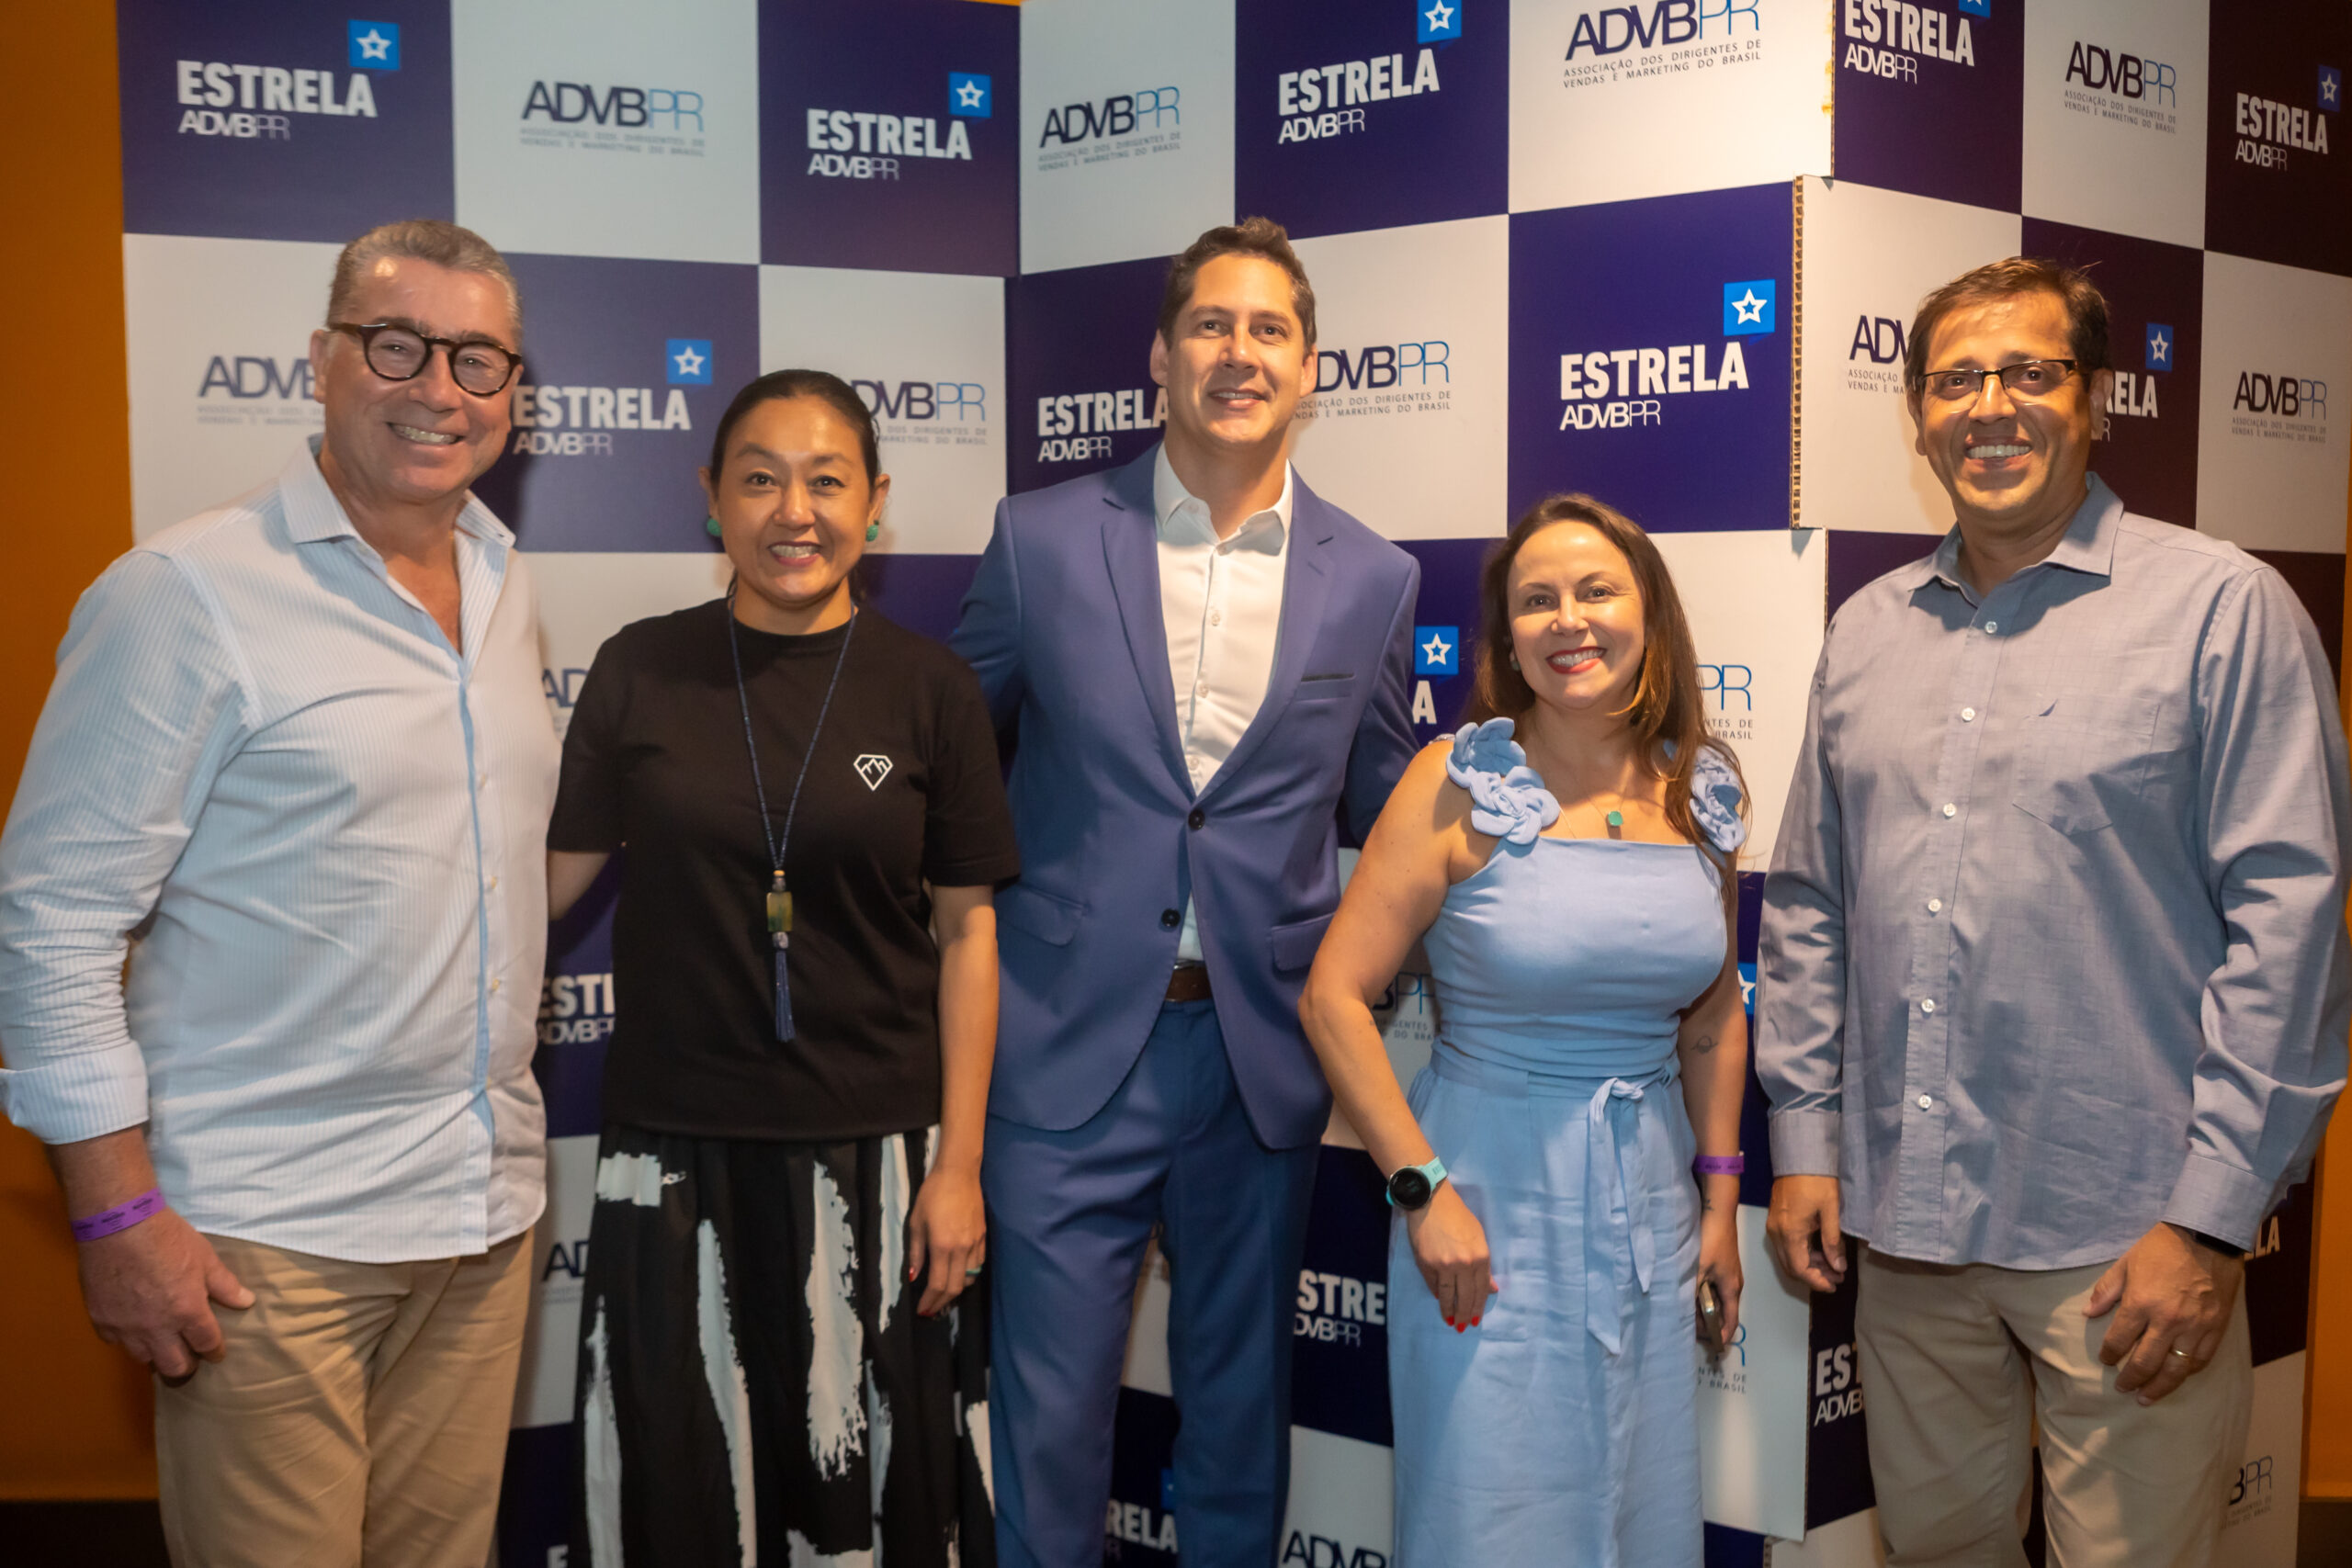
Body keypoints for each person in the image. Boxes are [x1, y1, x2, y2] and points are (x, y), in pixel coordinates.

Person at [1757, 257, 2350, 1568]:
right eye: (1955, 380)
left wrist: (2207, 1220)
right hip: (1908, 1234)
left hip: (2129, 1237)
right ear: (1917, 417)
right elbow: (1808, 902)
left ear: (2095, 398)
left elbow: (2292, 932)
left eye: (2029, 371)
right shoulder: (1866, 632)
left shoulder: (2221, 610)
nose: (1990, 407)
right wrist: (1805, 1139)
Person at [0, 220, 554, 1566]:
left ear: (513, 390)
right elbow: (52, 921)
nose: (440, 389)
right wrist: (117, 1213)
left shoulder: (502, 578)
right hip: (266, 1243)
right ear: (320, 358)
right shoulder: (186, 592)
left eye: (478, 359)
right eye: (398, 346)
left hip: (480, 1219)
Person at [951, 217, 1419, 1567]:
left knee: (1237, 1423)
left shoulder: (1373, 578)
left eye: (1270, 329)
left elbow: (1390, 814)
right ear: (1160, 356)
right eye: (1211, 324)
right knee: (1047, 1427)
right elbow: (950, 769)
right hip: (1060, 1045)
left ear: (1310, 368)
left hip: (1256, 1063)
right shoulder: (1041, 539)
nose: (1238, 352)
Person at [548, 368, 1017, 1566]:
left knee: (864, 1500)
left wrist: (960, 1167)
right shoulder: (639, 668)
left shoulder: (932, 687)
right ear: (712, 497)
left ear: (876, 502)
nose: (793, 511)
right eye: (760, 480)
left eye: (826, 481)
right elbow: (541, 884)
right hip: (672, 1153)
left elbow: (968, 935)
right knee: (681, 1494)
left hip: (879, 1157)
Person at [1300, 494, 1749, 1565]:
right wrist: (1421, 1191)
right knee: (1487, 1514)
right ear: (1506, 637)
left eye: (1596, 591)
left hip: (1650, 1212)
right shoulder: (1455, 785)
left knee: (1634, 1506)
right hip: (1484, 1213)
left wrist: (1719, 1201)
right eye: (1536, 601)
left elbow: (1710, 1016)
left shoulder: (1700, 787)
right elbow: (1332, 998)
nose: (1568, 620)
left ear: (1649, 613)